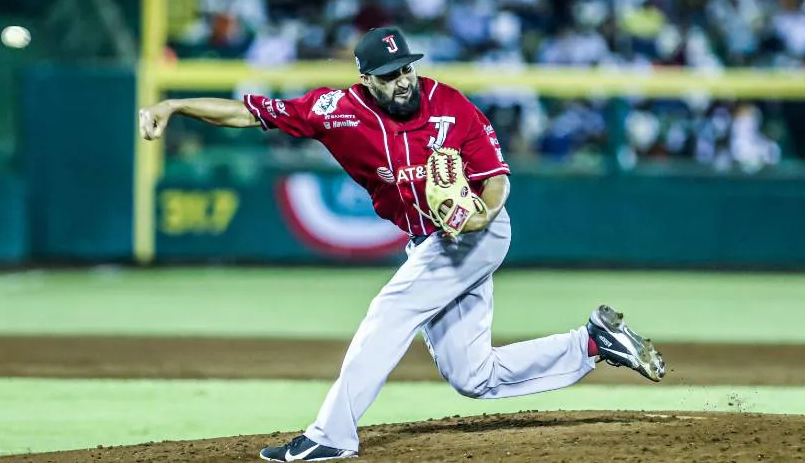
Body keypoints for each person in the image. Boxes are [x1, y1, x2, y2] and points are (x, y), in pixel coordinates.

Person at [139, 27, 666, 461]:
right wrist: (176, 104)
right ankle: (592, 343)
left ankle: (331, 436)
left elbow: (496, 178)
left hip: (476, 236)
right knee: (472, 375)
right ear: (366, 80)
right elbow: (249, 113)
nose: (403, 80)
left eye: (407, 68)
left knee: (389, 313)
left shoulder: (450, 104)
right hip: (429, 242)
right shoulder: (335, 110)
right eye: (389, 75)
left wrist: (482, 213)